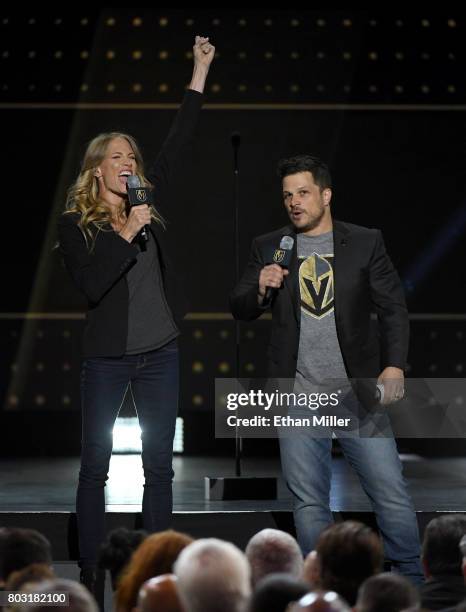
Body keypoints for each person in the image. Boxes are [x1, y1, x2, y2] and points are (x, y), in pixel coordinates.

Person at [57, 36, 215, 594]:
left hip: (160, 352)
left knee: (159, 466)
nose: (129, 163)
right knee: (95, 462)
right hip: (106, 359)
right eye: (117, 157)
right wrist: (127, 230)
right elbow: (94, 283)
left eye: (132, 156)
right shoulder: (77, 227)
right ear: (97, 171)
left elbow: (180, 142)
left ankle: (157, 566)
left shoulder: (147, 198)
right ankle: (91, 569)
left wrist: (198, 72)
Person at [230, 154, 423, 582]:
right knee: (309, 502)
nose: (294, 203)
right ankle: (324, 587)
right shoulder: (270, 246)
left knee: (389, 493)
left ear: (325, 194)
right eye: (287, 196)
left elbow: (393, 309)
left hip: (356, 393)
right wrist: (260, 289)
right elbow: (239, 306)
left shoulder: (365, 241)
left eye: (302, 193)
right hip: (298, 393)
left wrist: (394, 366)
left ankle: (412, 580)